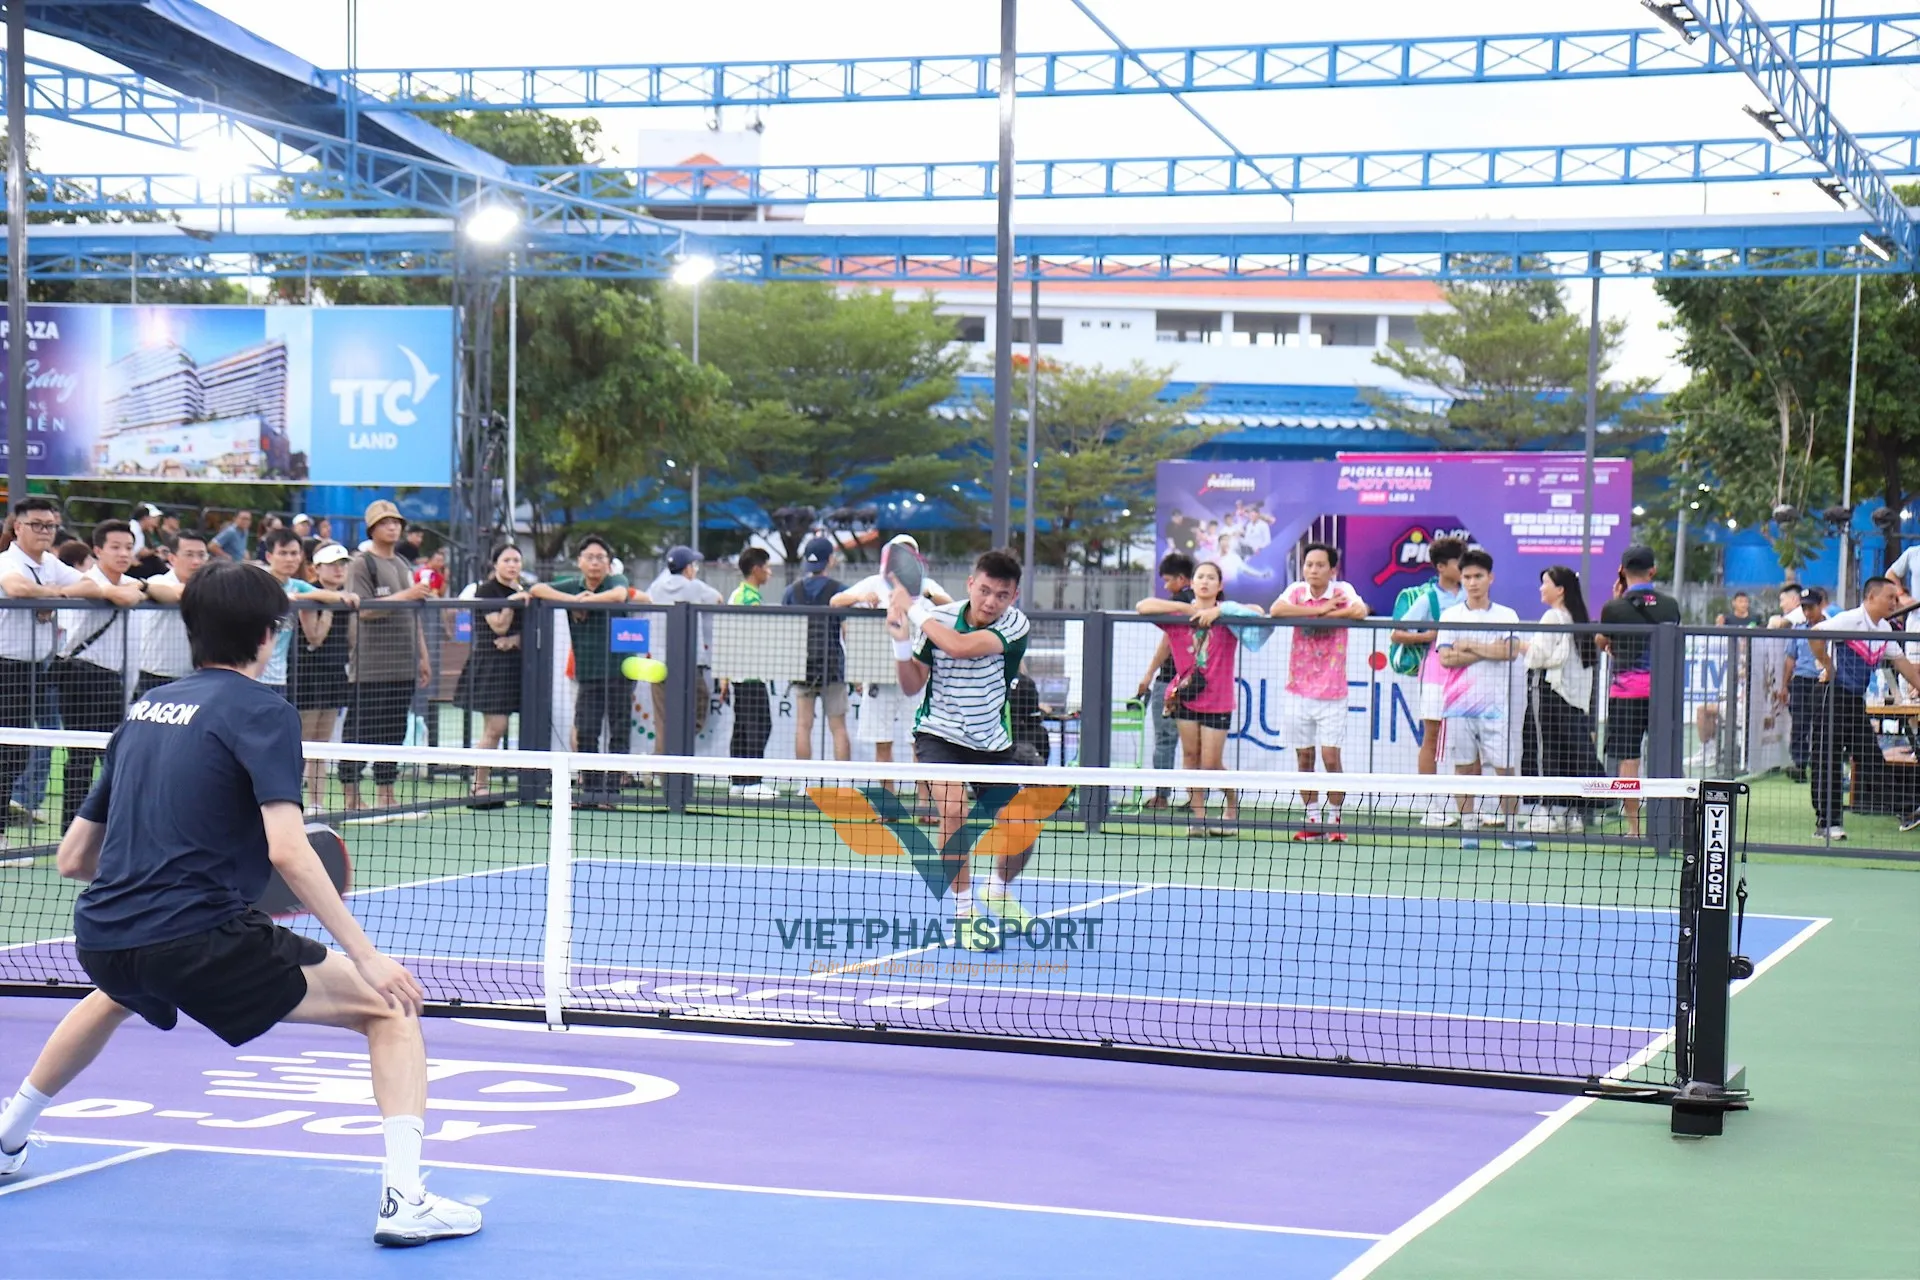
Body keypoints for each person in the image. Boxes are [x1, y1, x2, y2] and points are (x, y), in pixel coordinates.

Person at [0, 560, 482, 1246]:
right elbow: (288, 850)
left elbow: (74, 858)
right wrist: (368, 957)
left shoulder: (143, 711)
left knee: (116, 992)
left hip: (103, 936)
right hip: (197, 937)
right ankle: (406, 1200)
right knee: (390, 1011)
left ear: (191, 628)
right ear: (267, 635)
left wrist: (164, 878)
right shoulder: (263, 711)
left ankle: (8, 1137)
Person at [891, 548, 1036, 940]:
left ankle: (998, 891)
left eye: (1001, 595)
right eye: (984, 590)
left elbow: (958, 646)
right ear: (970, 584)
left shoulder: (1015, 624)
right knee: (954, 810)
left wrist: (912, 607)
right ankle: (964, 912)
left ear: (1014, 596)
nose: (990, 601)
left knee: (1024, 826)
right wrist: (901, 642)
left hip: (991, 742)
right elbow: (911, 685)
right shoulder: (937, 619)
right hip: (938, 735)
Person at [1137, 562, 1265, 837]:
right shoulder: (1177, 615)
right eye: (1200, 577)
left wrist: (1220, 611)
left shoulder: (1229, 616)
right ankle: (1199, 818)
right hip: (1186, 697)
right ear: (1192, 583)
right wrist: (1186, 609)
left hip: (1218, 700)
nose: (1205, 582)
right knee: (1190, 757)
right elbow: (1143, 606)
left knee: (1211, 764)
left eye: (1211, 578)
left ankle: (1231, 806)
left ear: (1220, 586)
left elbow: (1258, 611)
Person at [832, 534, 954, 792]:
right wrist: (860, 596)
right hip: (879, 676)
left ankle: (924, 803)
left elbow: (953, 607)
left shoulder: (927, 584)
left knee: (919, 743)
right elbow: (835, 601)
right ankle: (889, 804)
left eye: (910, 554)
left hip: (918, 675)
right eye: (899, 553)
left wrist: (930, 594)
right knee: (882, 742)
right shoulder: (873, 582)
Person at [528, 535, 643, 803]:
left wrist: (589, 601)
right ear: (579, 561)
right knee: (587, 732)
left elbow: (620, 595)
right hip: (588, 674)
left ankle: (611, 793)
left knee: (619, 734)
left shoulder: (615, 580)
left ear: (608, 563)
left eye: (600, 558)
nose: (594, 563)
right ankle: (590, 791)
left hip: (620, 673)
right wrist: (573, 601)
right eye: (589, 557)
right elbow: (537, 589)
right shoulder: (573, 585)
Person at [52, 520, 149, 834]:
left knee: (117, 758)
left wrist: (141, 588)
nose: (123, 553)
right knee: (81, 757)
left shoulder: (133, 583)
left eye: (128, 547)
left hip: (117, 681)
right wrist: (131, 591)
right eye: (115, 547)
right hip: (82, 676)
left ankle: (108, 830)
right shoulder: (86, 583)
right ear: (97, 550)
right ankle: (71, 831)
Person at [1268, 542, 1369, 841]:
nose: (1313, 570)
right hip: (1298, 691)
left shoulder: (1342, 590)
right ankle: (1312, 819)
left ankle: (1335, 820)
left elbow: (1360, 611)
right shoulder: (1296, 591)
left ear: (1332, 569)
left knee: (1331, 758)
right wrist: (1318, 610)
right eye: (1309, 564)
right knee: (1304, 758)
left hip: (1333, 692)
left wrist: (1327, 614)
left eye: (1320, 565)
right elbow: (1276, 610)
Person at [1436, 549, 1534, 849]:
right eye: (1467, 577)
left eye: (1478, 576)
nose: (1473, 582)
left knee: (1505, 769)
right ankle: (1468, 829)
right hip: (1458, 708)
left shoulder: (1507, 615)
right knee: (1464, 769)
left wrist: (1469, 644)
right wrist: (1488, 648)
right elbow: (1446, 658)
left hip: (1497, 708)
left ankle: (1511, 832)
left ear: (1490, 578)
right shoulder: (1450, 616)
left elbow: (1509, 652)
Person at [1809, 577, 1920, 839]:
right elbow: (1815, 634)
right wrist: (1827, 664)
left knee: (1871, 755)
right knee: (1828, 757)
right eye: (1889, 597)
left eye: (1896, 598)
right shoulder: (1849, 620)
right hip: (1832, 695)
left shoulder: (1884, 629)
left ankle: (1906, 811)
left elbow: (1902, 664)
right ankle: (1827, 823)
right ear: (1871, 597)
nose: (1894, 602)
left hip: (1855, 699)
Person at [341, 501, 433, 813]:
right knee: (360, 732)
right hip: (371, 666)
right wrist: (408, 595)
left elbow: (413, 616)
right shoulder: (361, 563)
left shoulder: (403, 564)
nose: (392, 527)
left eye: (396, 522)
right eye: (384, 522)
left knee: (394, 732)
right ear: (372, 529)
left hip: (403, 664)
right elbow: (364, 609)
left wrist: (423, 656)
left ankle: (386, 794)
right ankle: (352, 796)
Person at [1596, 546, 1684, 837]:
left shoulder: (1613, 608)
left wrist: (1615, 599)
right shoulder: (1670, 605)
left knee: (1629, 760)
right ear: (1653, 571)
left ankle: (1634, 829)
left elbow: (1601, 641)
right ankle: (1669, 828)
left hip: (1625, 694)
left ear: (1622, 571)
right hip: (1663, 693)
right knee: (1666, 758)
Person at [1387, 536, 1470, 826]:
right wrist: (1428, 636)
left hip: (1469, 675)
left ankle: (1470, 810)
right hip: (1435, 676)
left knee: (1469, 741)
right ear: (1441, 567)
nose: (1464, 569)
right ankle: (1432, 807)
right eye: (1459, 563)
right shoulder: (1428, 598)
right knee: (1431, 738)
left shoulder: (1471, 594)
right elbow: (1397, 632)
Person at [1523, 566, 1602, 832]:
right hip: (1572, 699)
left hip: (1547, 692)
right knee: (1567, 751)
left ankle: (1544, 812)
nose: (1541, 588)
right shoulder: (1578, 619)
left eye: (1545, 583)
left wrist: (1521, 646)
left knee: (1543, 749)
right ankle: (1570, 813)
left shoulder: (1553, 617)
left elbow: (1537, 656)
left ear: (1560, 590)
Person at [452, 545, 527, 803]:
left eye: (516, 560)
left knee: (502, 728)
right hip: (491, 666)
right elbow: (499, 626)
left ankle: (515, 785)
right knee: (495, 728)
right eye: (507, 560)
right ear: (495, 564)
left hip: (516, 666)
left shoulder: (522, 589)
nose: (512, 565)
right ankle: (479, 785)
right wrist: (512, 602)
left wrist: (515, 640)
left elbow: (527, 630)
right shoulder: (486, 590)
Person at [292, 543, 359, 811]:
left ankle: (316, 804)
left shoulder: (346, 598)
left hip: (334, 673)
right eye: (332, 565)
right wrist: (331, 604)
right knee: (304, 744)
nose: (339, 569)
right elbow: (315, 638)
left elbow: (351, 640)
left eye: (342, 565)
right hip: (308, 675)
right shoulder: (309, 595)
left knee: (323, 743)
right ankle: (293, 802)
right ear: (316, 569)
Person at [1130, 552, 1195, 810]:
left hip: (1172, 682)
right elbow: (1167, 641)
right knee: (1195, 745)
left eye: (1168, 581)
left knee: (1165, 740)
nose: (1166, 586)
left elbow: (1143, 606)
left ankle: (1162, 795)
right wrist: (1149, 673)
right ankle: (1195, 799)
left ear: (1182, 579)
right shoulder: (1201, 605)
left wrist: (1149, 675)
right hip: (1195, 682)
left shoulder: (1178, 604)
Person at [262, 529, 356, 702]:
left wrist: (296, 597)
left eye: (294, 553)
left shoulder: (297, 585)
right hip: (252, 675)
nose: (289, 559)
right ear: (269, 556)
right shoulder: (257, 582)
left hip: (279, 677)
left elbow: (329, 595)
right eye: (283, 553)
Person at [646, 546, 722, 756]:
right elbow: (717, 598)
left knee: (662, 720)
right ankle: (681, 745)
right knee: (700, 702)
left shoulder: (656, 587)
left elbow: (645, 600)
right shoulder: (694, 587)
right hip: (688, 662)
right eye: (693, 565)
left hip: (658, 662)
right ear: (687, 568)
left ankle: (660, 766)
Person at [783, 536, 851, 762]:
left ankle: (803, 779)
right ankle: (844, 780)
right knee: (838, 727)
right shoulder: (840, 591)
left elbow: (786, 632)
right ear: (830, 560)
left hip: (802, 666)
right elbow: (848, 632)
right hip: (832, 666)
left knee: (803, 725)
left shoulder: (791, 592)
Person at [720, 547, 778, 799]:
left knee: (744, 726)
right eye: (767, 567)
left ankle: (739, 782)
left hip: (742, 672)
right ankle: (751, 782)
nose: (770, 572)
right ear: (756, 569)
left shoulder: (741, 594)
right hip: (749, 673)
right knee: (758, 726)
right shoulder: (747, 598)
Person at [133, 530, 210, 698]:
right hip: (156, 675)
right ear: (172, 558)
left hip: (197, 676)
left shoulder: (211, 588)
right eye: (189, 554)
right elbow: (178, 593)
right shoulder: (157, 581)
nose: (196, 561)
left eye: (201, 555)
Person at [1779, 585, 1828, 783]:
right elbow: (1790, 659)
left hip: (1822, 681)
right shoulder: (1798, 630)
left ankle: (1820, 765)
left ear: (1820, 605)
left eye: (1811, 608)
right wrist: (1784, 685)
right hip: (1800, 681)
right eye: (1804, 608)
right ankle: (1799, 764)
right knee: (1799, 724)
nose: (1807, 612)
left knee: (1822, 725)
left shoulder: (1831, 628)